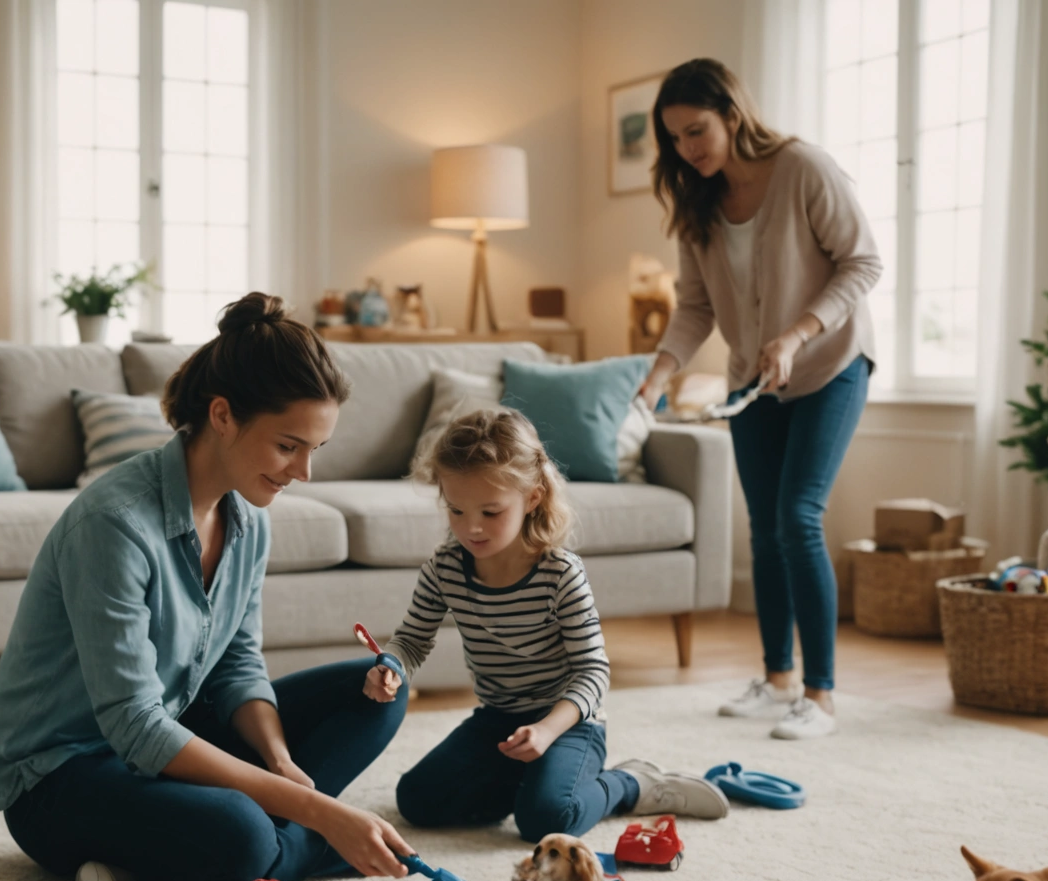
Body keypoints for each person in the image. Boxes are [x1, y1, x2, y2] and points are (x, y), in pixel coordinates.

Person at [0, 292, 414, 881]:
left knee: (376, 693)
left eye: (314, 450)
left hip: (169, 735)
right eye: (289, 446)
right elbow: (134, 725)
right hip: (63, 777)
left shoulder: (247, 515)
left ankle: (144, 873)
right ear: (222, 415)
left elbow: (238, 661)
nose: (304, 473)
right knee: (242, 832)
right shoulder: (115, 524)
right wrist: (318, 809)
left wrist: (278, 761)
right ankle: (259, 851)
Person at [636, 58, 882, 740]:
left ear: (733, 115)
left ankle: (820, 695)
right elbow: (694, 308)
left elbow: (863, 261)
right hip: (755, 380)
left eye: (697, 131)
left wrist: (797, 334)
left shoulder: (803, 168)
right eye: (675, 138)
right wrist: (658, 373)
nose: (688, 149)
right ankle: (776, 681)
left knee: (798, 515)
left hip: (831, 364)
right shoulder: (698, 202)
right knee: (765, 528)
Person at [376, 408, 729, 841]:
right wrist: (391, 666)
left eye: (490, 512)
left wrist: (546, 730)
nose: (471, 527)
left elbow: (593, 672)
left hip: (569, 723)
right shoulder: (445, 567)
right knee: (416, 800)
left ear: (532, 498)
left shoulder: (559, 573)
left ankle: (631, 783)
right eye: (455, 509)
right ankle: (531, 782)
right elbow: (411, 640)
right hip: (498, 720)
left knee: (544, 821)